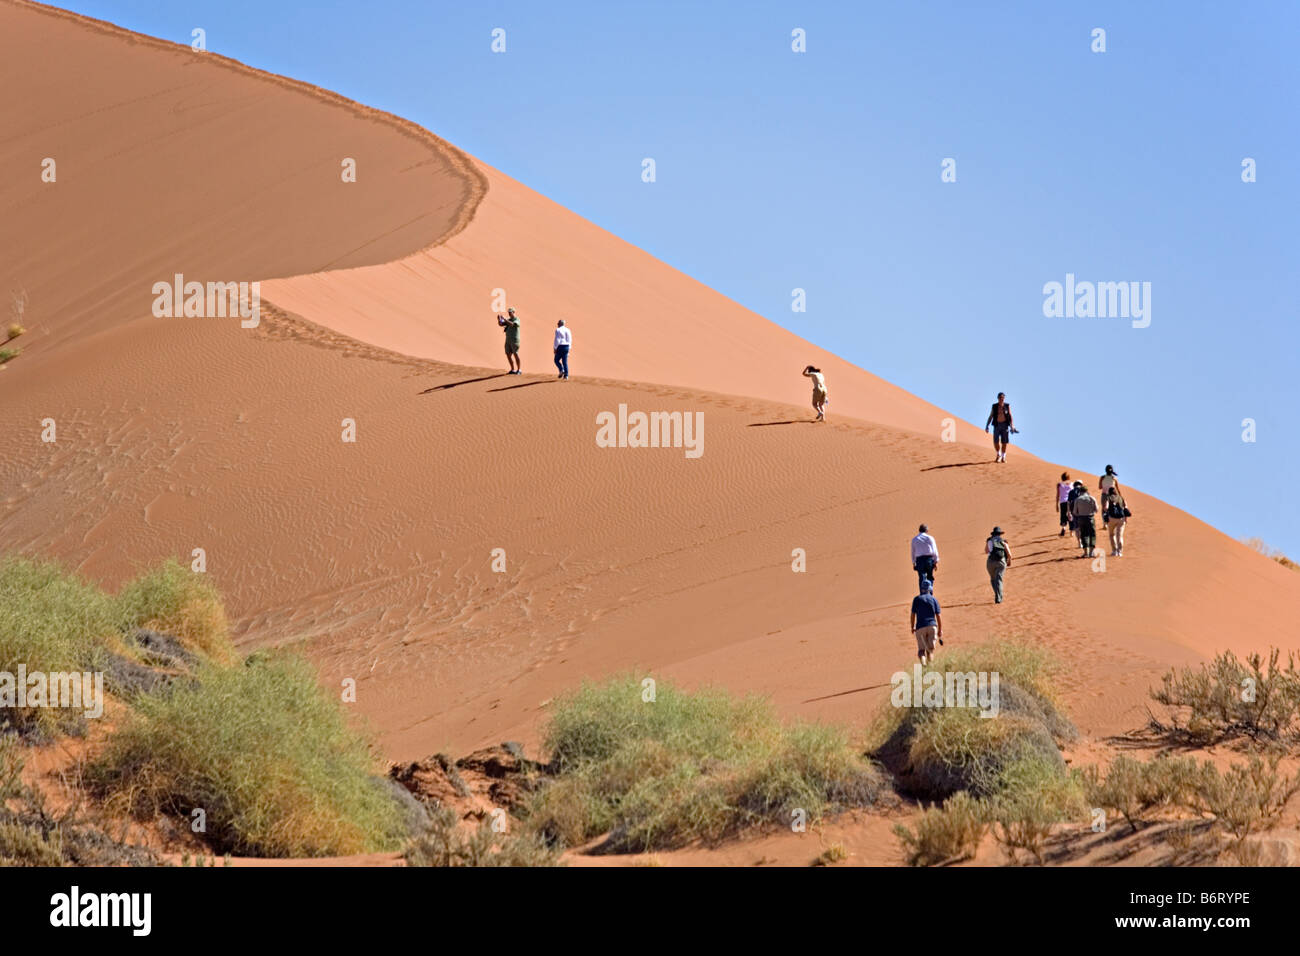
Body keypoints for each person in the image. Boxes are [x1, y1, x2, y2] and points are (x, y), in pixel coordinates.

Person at [909, 578, 943, 665]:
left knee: (921, 651)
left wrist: (912, 626)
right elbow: (938, 615)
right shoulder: (933, 599)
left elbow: (913, 614)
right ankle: (930, 667)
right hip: (932, 626)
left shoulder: (916, 599)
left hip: (920, 627)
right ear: (930, 589)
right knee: (930, 651)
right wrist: (940, 630)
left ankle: (924, 664)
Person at [984, 393, 1015, 463]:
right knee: (995, 441)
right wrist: (987, 426)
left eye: (1003, 397)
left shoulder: (1007, 406)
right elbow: (991, 416)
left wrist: (1012, 425)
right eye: (1000, 397)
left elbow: (1010, 416)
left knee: (1004, 442)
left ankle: (1003, 456)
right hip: (997, 425)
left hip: (1005, 425)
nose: (1002, 399)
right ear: (998, 398)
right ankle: (998, 454)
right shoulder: (994, 406)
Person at [985, 526, 1012, 603]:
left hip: (990, 562)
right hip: (1001, 562)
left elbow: (986, 551)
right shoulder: (1003, 541)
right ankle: (999, 597)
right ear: (1000, 534)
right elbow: (1009, 554)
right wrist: (1009, 561)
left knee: (993, 579)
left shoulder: (989, 541)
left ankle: (997, 594)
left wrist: (987, 543)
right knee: (999, 579)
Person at [1071, 484, 1099, 558]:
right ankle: (1092, 552)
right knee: (1092, 534)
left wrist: (1080, 513)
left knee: (1084, 534)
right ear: (1087, 491)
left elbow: (1074, 512)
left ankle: (1086, 553)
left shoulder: (1077, 499)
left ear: (1080, 491)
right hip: (1090, 518)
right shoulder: (1091, 498)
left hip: (1081, 518)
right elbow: (1097, 509)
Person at [910, 523, 940, 590]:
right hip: (929, 560)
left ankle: (922, 594)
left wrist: (913, 562)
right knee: (930, 577)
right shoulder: (930, 538)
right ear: (926, 530)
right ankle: (930, 595)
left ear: (919, 530)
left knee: (921, 578)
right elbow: (934, 550)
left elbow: (912, 552)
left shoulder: (914, 539)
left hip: (919, 561)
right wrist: (936, 561)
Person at [1103, 488, 1127, 556]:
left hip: (1112, 518)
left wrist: (1106, 512)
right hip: (1121, 518)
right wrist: (1126, 518)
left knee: (1111, 534)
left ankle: (1114, 551)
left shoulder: (1108, 498)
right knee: (1120, 536)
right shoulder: (1121, 498)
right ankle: (1120, 552)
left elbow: (1106, 508)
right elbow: (1126, 507)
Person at [497, 308, 521, 374]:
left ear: (514, 312)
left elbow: (512, 324)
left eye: (511, 312)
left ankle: (519, 369)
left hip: (515, 340)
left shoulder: (517, 319)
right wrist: (499, 319)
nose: (509, 313)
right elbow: (501, 324)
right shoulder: (508, 320)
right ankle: (512, 369)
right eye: (509, 312)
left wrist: (504, 319)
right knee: (508, 354)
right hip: (508, 340)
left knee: (515, 354)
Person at [1056, 472, 1073, 537]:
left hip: (1062, 502)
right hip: (1070, 501)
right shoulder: (1071, 484)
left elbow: (1057, 495)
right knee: (1070, 515)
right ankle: (1072, 531)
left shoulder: (1059, 484)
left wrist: (1056, 505)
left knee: (1063, 515)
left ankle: (1063, 528)